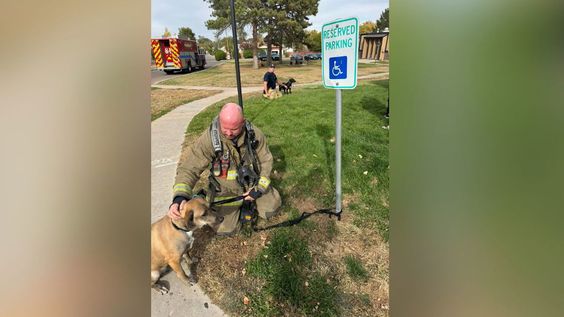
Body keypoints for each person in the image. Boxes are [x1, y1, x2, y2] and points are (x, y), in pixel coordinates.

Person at [168, 103, 282, 235]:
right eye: (225, 128)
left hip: (253, 184)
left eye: (234, 129)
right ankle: (205, 196)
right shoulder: (209, 140)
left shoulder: (255, 134)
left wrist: (259, 189)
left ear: (243, 123)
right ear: (219, 120)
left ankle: (255, 202)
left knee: (271, 210)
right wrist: (179, 197)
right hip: (226, 190)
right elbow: (189, 168)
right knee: (225, 229)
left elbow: (266, 161)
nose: (228, 133)